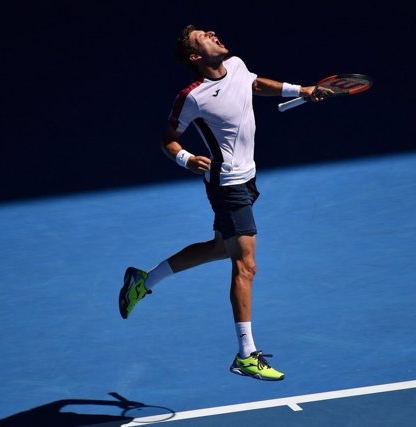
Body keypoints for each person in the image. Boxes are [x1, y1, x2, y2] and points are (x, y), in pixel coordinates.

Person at [119, 25, 330, 381]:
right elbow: (168, 139)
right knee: (246, 265)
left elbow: (256, 83)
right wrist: (185, 158)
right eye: (203, 35)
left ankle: (143, 280)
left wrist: (303, 90)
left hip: (247, 177)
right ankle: (246, 354)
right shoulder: (192, 96)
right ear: (195, 57)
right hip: (227, 185)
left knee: (220, 248)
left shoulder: (235, 64)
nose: (213, 32)